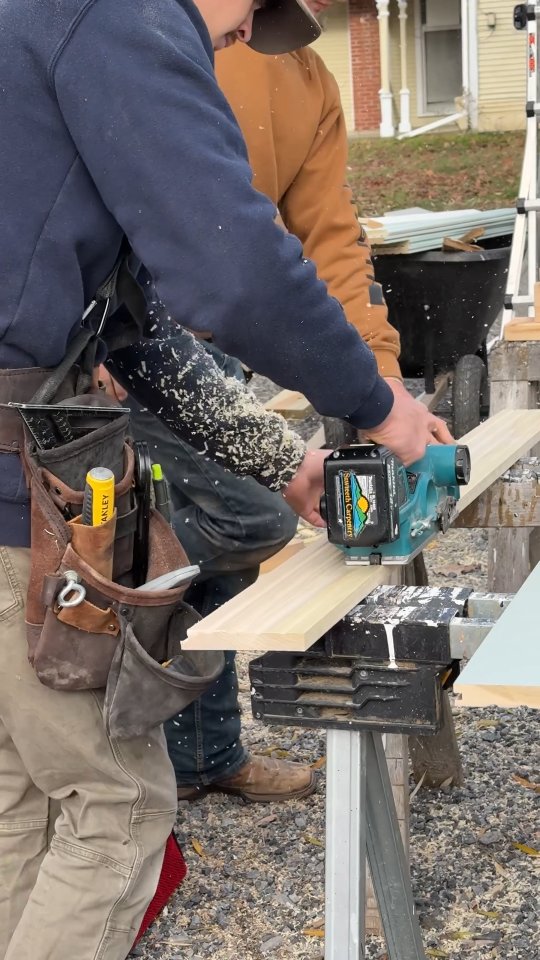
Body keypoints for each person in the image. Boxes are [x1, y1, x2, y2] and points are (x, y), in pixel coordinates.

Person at [0, 1, 439, 957]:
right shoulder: (120, 16)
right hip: (19, 492)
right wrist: (382, 408)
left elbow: (137, 332)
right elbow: (231, 269)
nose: (243, 39)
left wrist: (291, 466)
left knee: (21, 799)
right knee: (115, 808)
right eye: (251, 15)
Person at [118, 1, 453, 804]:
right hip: (125, 339)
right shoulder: (156, 39)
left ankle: (203, 758)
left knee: (220, 547)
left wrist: (382, 388)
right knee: (243, 520)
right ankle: (126, 661)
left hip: (214, 336)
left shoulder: (308, 78)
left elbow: (330, 237)